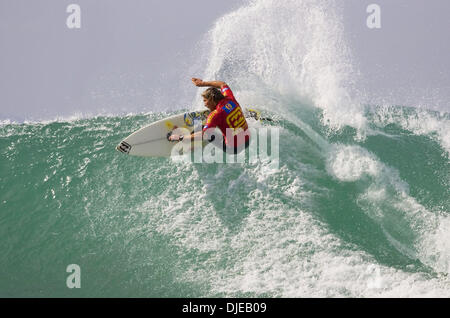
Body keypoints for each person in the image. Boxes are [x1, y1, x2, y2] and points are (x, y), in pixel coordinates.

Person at [168, 78, 250, 154]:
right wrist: (202, 83)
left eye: (205, 101)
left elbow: (205, 134)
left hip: (233, 148)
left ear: (212, 99)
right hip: (247, 141)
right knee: (220, 123)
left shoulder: (215, 114)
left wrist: (181, 137)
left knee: (202, 129)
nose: (204, 104)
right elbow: (222, 84)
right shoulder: (230, 98)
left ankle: (186, 141)